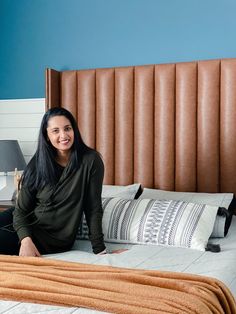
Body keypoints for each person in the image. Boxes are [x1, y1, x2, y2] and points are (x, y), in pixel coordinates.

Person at [0, 107, 106, 256]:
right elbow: (21, 211)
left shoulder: (91, 161)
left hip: (50, 239)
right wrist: (25, 240)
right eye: (56, 131)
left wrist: (100, 250)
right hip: (23, 222)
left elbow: (93, 208)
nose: (63, 135)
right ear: (47, 136)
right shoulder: (37, 164)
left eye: (67, 128)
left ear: (74, 130)